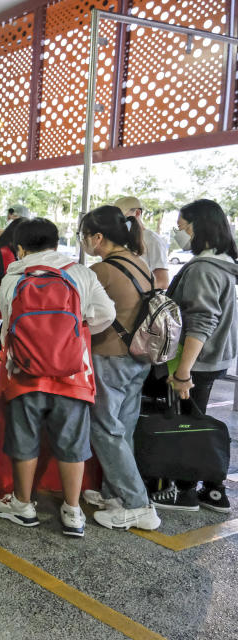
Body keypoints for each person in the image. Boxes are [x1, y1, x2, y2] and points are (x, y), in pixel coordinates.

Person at [0, 218, 115, 538]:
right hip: (72, 373)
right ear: (56, 244)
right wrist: (74, 336)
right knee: (72, 441)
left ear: (19, 246)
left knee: (24, 438)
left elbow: (9, 322)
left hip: (24, 373)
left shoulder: (15, 274)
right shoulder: (80, 273)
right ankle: (72, 512)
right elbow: (106, 314)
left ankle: (23, 504)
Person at [77, 206, 161, 531]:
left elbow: (82, 312)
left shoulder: (102, 270)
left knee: (104, 428)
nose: (84, 242)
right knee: (123, 428)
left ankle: (137, 504)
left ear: (97, 237)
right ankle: (117, 496)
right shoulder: (141, 263)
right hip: (139, 358)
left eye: (84, 236)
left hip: (111, 357)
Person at [152, 199, 238, 513]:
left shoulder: (204, 269)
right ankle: (212, 489)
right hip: (210, 359)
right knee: (194, 420)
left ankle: (185, 491)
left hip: (193, 362)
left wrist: (183, 372)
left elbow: (202, 320)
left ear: (198, 227)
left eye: (182, 227)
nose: (178, 234)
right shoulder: (222, 263)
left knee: (184, 424)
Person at [114, 196, 169, 290]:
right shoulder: (121, 239)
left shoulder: (152, 240)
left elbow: (163, 282)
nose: (119, 222)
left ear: (137, 213)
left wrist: (133, 289)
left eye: (123, 217)